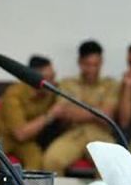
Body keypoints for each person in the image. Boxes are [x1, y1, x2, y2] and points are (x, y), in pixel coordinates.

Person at [43, 40, 119, 173]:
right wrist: (97, 111)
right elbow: (64, 113)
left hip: (101, 135)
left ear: (101, 62)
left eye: (95, 65)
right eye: (87, 64)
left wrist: (77, 111)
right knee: (51, 160)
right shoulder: (67, 83)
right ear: (79, 62)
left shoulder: (110, 84)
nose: (92, 69)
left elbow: (106, 116)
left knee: (111, 164)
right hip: (73, 135)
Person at [0, 55, 64, 171]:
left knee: (38, 160)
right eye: (47, 79)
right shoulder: (14, 93)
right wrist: (50, 115)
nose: (52, 82)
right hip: (2, 136)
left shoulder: (51, 91)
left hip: (28, 141)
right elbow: (20, 134)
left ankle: (28, 183)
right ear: (33, 78)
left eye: (53, 76)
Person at [117, 40, 131, 153]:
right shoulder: (128, 85)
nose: (130, 69)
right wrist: (128, 88)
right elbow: (124, 122)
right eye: (129, 64)